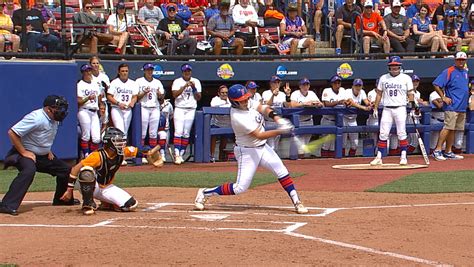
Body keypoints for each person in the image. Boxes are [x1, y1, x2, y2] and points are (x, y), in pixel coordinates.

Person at [194, 84, 308, 214]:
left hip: (263, 148)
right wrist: (280, 131)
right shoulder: (237, 117)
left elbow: (263, 108)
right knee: (239, 188)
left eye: (246, 98)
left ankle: (296, 201)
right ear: (234, 102)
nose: (245, 101)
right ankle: (205, 192)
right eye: (241, 100)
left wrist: (277, 118)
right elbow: (259, 135)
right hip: (247, 151)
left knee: (282, 171)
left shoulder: (247, 103)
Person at [0, 95, 76, 216]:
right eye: (58, 108)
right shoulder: (36, 118)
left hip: (42, 155)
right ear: (48, 109)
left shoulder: (54, 119)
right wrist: (24, 152)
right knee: (29, 170)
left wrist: (47, 150)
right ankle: (7, 205)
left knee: (65, 170)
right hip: (22, 153)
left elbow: (43, 137)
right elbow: (12, 132)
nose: (61, 111)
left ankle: (61, 200)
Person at [60, 127, 140, 215]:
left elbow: (141, 152)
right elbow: (75, 169)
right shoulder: (97, 156)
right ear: (109, 143)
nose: (121, 144)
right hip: (92, 185)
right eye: (117, 141)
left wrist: (153, 154)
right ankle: (87, 203)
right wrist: (69, 190)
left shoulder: (122, 152)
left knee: (131, 205)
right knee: (86, 172)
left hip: (106, 187)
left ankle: (107, 203)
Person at [370, 56, 415, 166]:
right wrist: (375, 107)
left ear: (400, 67)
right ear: (389, 67)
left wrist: (413, 107)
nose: (394, 68)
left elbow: (410, 93)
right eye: (392, 66)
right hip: (387, 108)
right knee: (383, 133)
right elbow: (379, 93)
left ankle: (403, 156)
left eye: (396, 66)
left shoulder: (406, 78)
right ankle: (379, 156)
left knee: (401, 132)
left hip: (400, 107)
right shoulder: (383, 78)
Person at [432, 51, 469, 160]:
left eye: (463, 60)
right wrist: (443, 97)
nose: (461, 62)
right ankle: (437, 150)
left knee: (453, 129)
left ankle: (448, 151)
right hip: (452, 105)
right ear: (455, 60)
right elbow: (436, 84)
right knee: (448, 127)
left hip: (461, 106)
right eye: (459, 60)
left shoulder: (465, 72)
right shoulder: (449, 71)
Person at [106, 63, 139, 165]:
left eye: (126, 71)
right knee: (119, 131)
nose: (124, 73)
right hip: (117, 108)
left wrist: (132, 102)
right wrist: (118, 103)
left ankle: (122, 155)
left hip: (127, 109)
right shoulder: (115, 82)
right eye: (123, 71)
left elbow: (135, 96)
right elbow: (109, 96)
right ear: (119, 72)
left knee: (124, 133)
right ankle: (119, 156)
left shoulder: (132, 83)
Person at [171, 63, 202, 164]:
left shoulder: (196, 81)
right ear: (182, 72)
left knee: (186, 132)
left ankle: (181, 153)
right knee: (178, 131)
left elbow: (198, 97)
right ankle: (176, 154)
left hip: (191, 108)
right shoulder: (177, 81)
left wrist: (193, 88)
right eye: (185, 71)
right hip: (180, 108)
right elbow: (174, 94)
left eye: (188, 71)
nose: (187, 73)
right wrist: (184, 86)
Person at [289, 77, 323, 158]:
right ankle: (295, 162)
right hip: (298, 122)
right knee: (298, 147)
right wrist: (305, 104)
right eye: (303, 85)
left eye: (307, 84)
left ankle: (300, 161)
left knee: (304, 146)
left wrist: (316, 104)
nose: (305, 86)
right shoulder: (295, 93)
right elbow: (292, 105)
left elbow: (321, 104)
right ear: (300, 86)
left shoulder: (311, 93)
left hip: (308, 121)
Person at [136, 63, 165, 158]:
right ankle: (142, 155)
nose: (149, 71)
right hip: (144, 107)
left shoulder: (157, 82)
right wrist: (144, 92)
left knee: (153, 133)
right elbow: (136, 97)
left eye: (151, 70)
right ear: (144, 71)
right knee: (143, 132)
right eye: (148, 70)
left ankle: (152, 154)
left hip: (155, 107)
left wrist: (160, 95)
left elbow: (162, 98)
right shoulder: (139, 81)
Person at [77, 64, 103, 159]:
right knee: (86, 135)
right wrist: (88, 98)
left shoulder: (95, 84)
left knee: (96, 138)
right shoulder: (80, 85)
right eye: (86, 71)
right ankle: (86, 154)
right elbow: (78, 101)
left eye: (89, 70)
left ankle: (91, 155)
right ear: (83, 73)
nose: (88, 72)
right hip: (84, 110)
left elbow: (100, 97)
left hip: (94, 111)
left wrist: (101, 107)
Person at [261, 75, 291, 151]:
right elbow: (267, 105)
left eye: (278, 82)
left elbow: (288, 106)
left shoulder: (282, 94)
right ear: (270, 84)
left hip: (278, 122)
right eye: (274, 82)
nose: (276, 84)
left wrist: (288, 95)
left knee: (276, 146)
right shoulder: (266, 93)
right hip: (268, 121)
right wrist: (273, 95)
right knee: (271, 146)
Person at [343, 78, 371, 157]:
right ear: (353, 86)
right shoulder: (347, 91)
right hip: (344, 119)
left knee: (355, 144)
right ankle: (342, 159)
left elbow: (366, 101)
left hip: (353, 119)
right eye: (356, 85)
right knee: (343, 143)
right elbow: (351, 102)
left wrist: (369, 104)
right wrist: (364, 108)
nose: (358, 87)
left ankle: (351, 158)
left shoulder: (362, 92)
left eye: (359, 85)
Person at [321, 75, 346, 157]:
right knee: (326, 143)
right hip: (328, 119)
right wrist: (338, 102)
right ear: (332, 84)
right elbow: (326, 104)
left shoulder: (342, 91)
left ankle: (330, 162)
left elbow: (346, 102)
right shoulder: (327, 91)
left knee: (333, 145)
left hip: (338, 120)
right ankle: (323, 161)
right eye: (335, 83)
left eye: (339, 82)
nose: (337, 84)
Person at [210, 85, 231, 162]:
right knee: (213, 137)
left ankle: (221, 157)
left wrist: (226, 103)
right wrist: (225, 103)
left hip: (227, 124)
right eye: (222, 93)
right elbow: (213, 105)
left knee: (224, 141)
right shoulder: (215, 99)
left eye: (226, 93)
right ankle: (211, 156)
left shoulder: (231, 99)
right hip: (216, 123)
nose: (224, 94)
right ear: (219, 93)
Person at [157, 94, 174, 162]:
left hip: (165, 128)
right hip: (155, 128)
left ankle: (162, 155)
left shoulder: (168, 104)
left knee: (165, 142)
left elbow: (171, 115)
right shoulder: (154, 103)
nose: (161, 96)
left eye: (162, 94)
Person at [429, 88, 445, 153]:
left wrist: (440, 100)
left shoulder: (448, 92)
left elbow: (453, 103)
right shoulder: (433, 94)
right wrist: (445, 100)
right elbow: (439, 105)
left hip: (445, 120)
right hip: (435, 119)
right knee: (433, 143)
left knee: (444, 144)